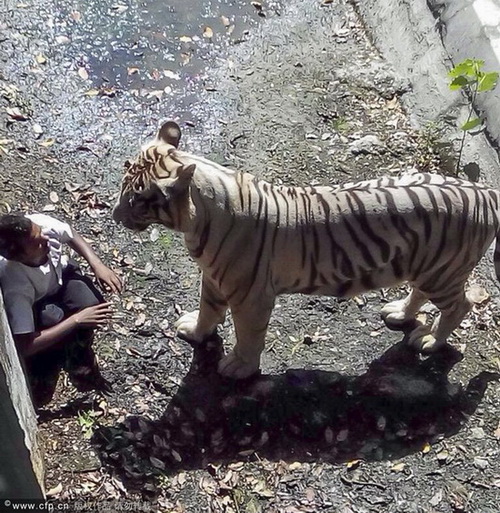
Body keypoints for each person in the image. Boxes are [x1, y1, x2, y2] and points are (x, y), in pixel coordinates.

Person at [0, 212, 122, 405]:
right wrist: (76, 320)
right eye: (36, 242)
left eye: (40, 232)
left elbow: (70, 233)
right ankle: (55, 357)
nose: (46, 238)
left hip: (60, 278)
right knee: (52, 319)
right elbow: (24, 346)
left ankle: (79, 353)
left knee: (91, 302)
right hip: (38, 304)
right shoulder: (16, 285)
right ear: (20, 257)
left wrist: (97, 264)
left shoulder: (40, 227)